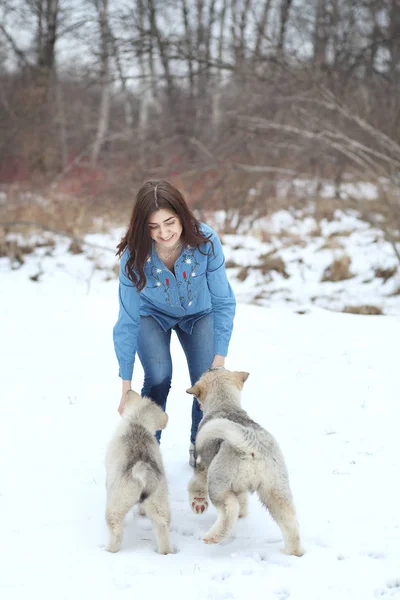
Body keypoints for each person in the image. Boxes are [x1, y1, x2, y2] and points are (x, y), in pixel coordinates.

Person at [113, 180, 236, 466]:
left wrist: (218, 360)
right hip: (151, 314)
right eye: (153, 227)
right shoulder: (134, 255)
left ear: (182, 215)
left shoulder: (206, 243)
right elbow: (127, 320)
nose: (164, 233)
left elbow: (223, 301)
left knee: (205, 380)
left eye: (169, 222)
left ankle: (201, 449)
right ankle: (146, 456)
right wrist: (125, 388)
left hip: (200, 312)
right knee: (158, 376)